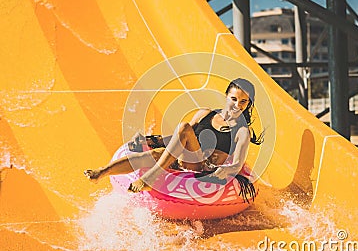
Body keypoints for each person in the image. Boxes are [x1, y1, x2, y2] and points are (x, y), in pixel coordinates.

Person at [84, 78, 263, 195]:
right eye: (233, 99)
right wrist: (150, 140)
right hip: (185, 160)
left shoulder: (241, 131)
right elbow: (180, 139)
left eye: (243, 101)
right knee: (156, 154)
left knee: (184, 127)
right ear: (226, 96)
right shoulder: (205, 114)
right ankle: (103, 171)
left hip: (204, 168)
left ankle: (152, 176)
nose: (236, 105)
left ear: (248, 104)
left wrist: (228, 170)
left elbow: (238, 163)